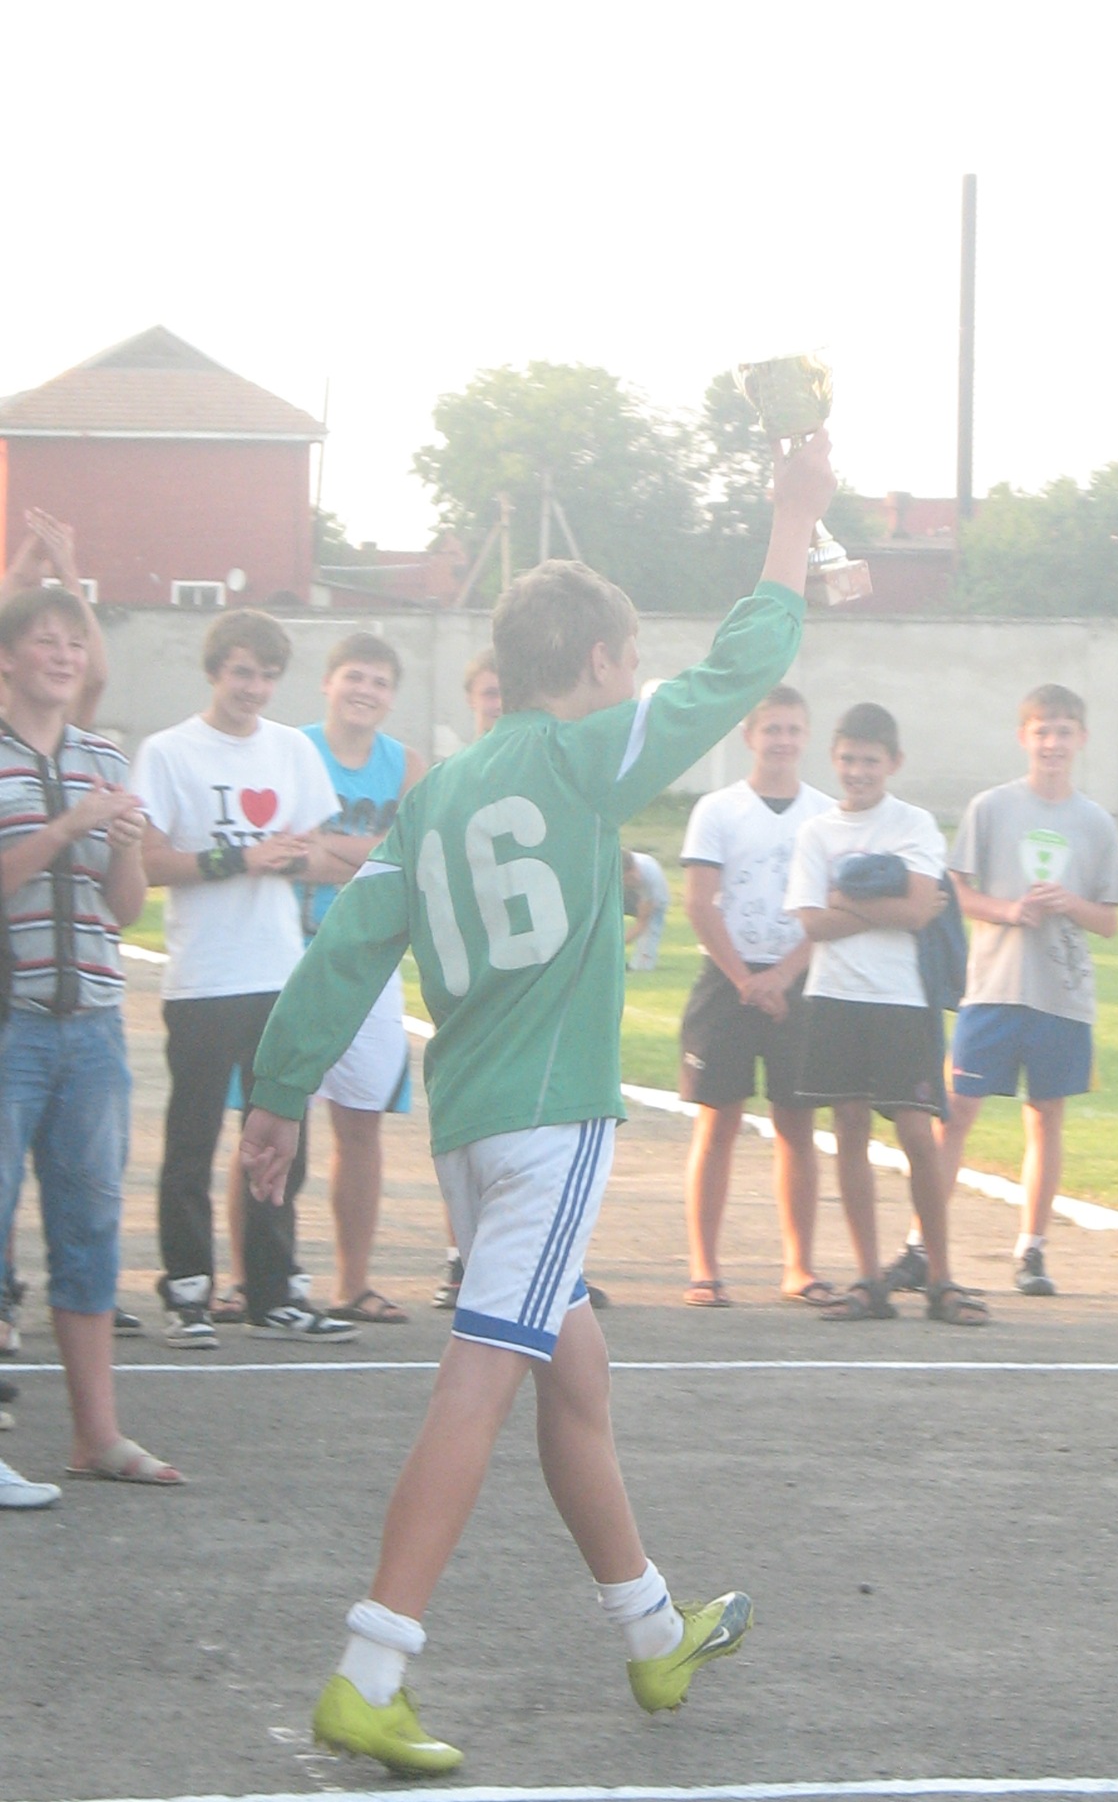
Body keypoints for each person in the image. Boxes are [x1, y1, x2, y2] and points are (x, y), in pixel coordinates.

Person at [239, 430, 835, 1775]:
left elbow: (345, 951)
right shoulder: (586, 756)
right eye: (629, 663)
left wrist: (276, 1092)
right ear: (604, 663)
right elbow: (746, 662)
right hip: (549, 1125)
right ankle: (371, 1666)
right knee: (479, 1381)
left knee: (576, 1370)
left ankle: (653, 1629)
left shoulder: (433, 792)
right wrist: (793, 517)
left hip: (466, 1125)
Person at [131, 609, 358, 1346]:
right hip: (204, 977)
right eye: (240, 673)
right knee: (193, 1139)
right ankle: (188, 1291)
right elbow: (149, 862)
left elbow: (318, 854)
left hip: (277, 972)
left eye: (265, 675)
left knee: (279, 1136)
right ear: (214, 672)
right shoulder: (170, 751)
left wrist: (295, 859)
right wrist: (241, 858)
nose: (252, 688)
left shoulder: (291, 750)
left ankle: (274, 1290)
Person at [0, 586, 182, 1491]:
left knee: (91, 1229)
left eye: (75, 642)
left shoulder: (103, 759)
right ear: (8, 658)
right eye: (47, 641)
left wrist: (123, 847)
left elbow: (123, 908)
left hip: (94, 1027)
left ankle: (96, 1436)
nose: (66, 656)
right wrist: (66, 827)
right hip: (11, 1026)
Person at [887, 683, 1118, 1299]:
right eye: (1042, 731)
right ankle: (921, 1244)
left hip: (1061, 994)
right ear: (1024, 737)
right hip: (993, 987)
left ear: (1081, 739)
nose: (1053, 743)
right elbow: (957, 893)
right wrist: (1010, 911)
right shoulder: (992, 808)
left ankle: (1032, 1250)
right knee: (956, 1112)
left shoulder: (1095, 822)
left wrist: (1069, 903)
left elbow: (1109, 919)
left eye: (1064, 732)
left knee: (1045, 1117)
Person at [786, 702, 986, 1326]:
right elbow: (811, 923)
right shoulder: (817, 832)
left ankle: (940, 1277)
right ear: (833, 759)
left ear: (893, 762)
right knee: (849, 1128)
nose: (858, 771)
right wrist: (882, 908)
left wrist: (846, 900)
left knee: (917, 1134)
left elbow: (921, 909)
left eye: (870, 760)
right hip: (836, 996)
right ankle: (869, 1278)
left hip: (902, 998)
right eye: (848, 759)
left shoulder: (914, 824)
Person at [677, 685, 833, 1307]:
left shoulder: (825, 815)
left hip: (799, 981)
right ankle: (704, 1268)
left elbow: (831, 910)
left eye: (793, 730)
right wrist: (745, 979)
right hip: (728, 981)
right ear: (749, 736)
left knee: (796, 1124)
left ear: (806, 736)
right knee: (718, 1121)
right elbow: (698, 902)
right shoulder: (717, 810)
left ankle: (799, 1266)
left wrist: (785, 974)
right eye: (772, 729)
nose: (782, 741)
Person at [300, 633, 426, 1320]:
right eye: (354, 676)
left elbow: (410, 862)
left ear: (392, 696)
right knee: (272, 1116)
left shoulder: (405, 765)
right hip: (289, 949)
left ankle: (351, 1283)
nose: (365, 691)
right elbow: (289, 854)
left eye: (379, 682)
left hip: (368, 961)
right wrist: (370, 855)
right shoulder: (294, 750)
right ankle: (255, 1278)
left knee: (360, 1124)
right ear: (327, 682)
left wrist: (329, 847)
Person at [433, 647, 502, 1313]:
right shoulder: (455, 780)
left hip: (525, 964)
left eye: (507, 690)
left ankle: (545, 1266)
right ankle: (461, 1256)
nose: (498, 703)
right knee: (471, 1118)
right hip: (472, 965)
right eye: (488, 693)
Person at [621, 849, 670, 972]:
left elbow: (642, 922)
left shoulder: (649, 876)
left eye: (634, 871)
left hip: (653, 900)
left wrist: (619, 944)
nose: (636, 876)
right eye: (629, 876)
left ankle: (640, 965)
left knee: (651, 927)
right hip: (623, 893)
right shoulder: (605, 873)